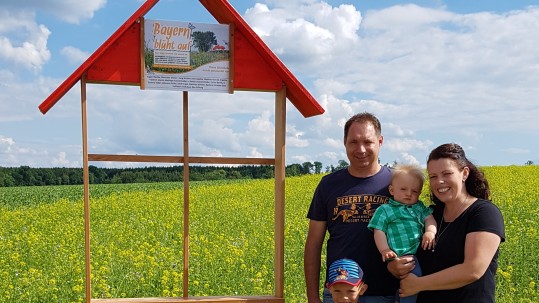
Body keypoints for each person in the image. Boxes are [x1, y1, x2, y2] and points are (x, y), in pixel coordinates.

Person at [388, 143, 505, 303]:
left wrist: (419, 284)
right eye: (433, 176)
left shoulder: (483, 213)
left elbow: (473, 269)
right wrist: (393, 265)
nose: (439, 181)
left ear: (464, 173)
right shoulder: (431, 214)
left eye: (446, 174)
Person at [304, 112, 398, 303]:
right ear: (344, 143)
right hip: (338, 294)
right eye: (353, 142)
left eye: (368, 142)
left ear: (380, 142)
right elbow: (314, 244)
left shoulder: (398, 183)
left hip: (387, 293)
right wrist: (312, 296)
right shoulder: (328, 185)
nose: (361, 149)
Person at [367, 164, 437, 303]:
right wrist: (385, 249)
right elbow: (378, 230)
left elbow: (430, 219)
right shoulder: (385, 209)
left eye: (414, 191)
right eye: (403, 189)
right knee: (413, 279)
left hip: (419, 254)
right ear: (392, 190)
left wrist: (430, 232)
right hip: (401, 255)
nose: (409, 194)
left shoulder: (419, 207)